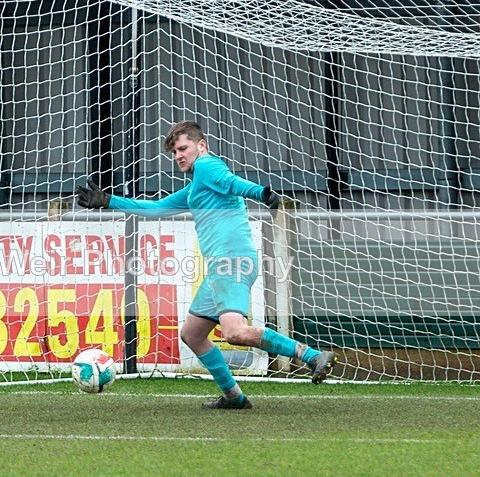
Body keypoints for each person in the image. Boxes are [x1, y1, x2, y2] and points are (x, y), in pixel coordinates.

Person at [75, 120, 337, 409]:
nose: (178, 156)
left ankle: (312, 355)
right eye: (174, 152)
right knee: (193, 333)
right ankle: (234, 397)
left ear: (201, 146)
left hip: (232, 261)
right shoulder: (195, 188)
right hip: (220, 268)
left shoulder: (207, 166)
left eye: (183, 148)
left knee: (235, 332)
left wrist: (262, 193)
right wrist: (108, 200)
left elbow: (231, 183)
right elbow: (156, 209)